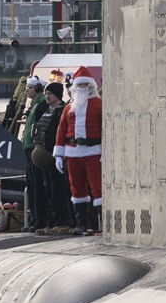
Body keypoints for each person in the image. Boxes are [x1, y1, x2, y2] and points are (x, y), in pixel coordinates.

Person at [53, 73, 103, 234]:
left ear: (91, 87)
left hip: (94, 151)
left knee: (98, 189)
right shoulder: (69, 107)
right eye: (80, 85)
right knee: (77, 190)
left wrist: (106, 151)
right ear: (75, 87)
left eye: (85, 85)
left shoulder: (99, 104)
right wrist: (59, 154)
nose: (83, 88)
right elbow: (61, 131)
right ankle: (82, 224)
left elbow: (107, 128)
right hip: (73, 153)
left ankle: (99, 225)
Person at [31, 78, 73, 233]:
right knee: (48, 192)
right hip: (45, 159)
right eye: (46, 93)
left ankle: (61, 221)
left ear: (57, 95)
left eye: (50, 93)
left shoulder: (61, 111)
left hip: (56, 158)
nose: (47, 96)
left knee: (58, 191)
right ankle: (50, 222)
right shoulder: (46, 111)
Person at [16, 75, 47, 228]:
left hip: (34, 149)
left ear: (39, 88)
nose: (27, 90)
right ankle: (34, 218)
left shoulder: (41, 105)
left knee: (37, 185)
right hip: (28, 147)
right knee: (31, 185)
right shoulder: (34, 104)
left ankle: (40, 219)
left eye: (29, 87)